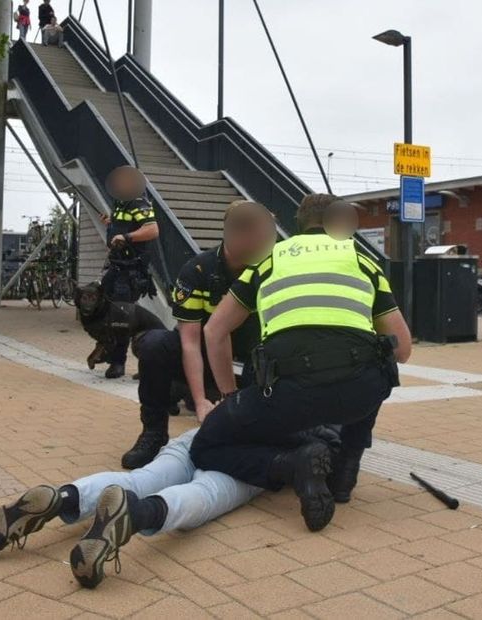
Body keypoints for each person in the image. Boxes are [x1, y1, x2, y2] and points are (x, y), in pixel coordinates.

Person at [189, 194, 412, 532]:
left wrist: (229, 393)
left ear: (297, 224)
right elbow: (403, 349)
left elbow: (214, 331)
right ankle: (346, 469)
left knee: (204, 447)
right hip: (358, 397)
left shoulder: (268, 261)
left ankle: (290, 465)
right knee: (379, 361)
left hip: (286, 397)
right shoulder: (364, 262)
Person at [0, 425, 339, 589]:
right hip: (249, 462)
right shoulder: (330, 407)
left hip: (203, 435)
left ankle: (62, 498)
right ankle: (135, 516)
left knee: (138, 480)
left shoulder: (270, 359)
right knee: (204, 496)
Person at [121, 201, 274, 469]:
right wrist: (202, 401)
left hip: (254, 359)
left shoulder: (272, 269)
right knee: (155, 344)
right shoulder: (198, 271)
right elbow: (189, 342)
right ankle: (153, 433)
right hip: (207, 355)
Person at [99, 166, 159, 379]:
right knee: (102, 308)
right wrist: (111, 225)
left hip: (130, 270)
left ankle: (118, 363)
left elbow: (152, 229)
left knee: (121, 317)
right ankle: (107, 351)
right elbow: (123, 228)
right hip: (116, 268)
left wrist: (127, 238)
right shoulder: (120, 204)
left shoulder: (138, 202)